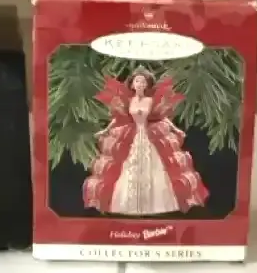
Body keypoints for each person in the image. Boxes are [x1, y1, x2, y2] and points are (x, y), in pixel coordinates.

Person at [82, 67, 209, 215]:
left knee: (155, 168)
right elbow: (119, 118)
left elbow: (161, 117)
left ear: (147, 85)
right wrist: (105, 131)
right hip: (132, 136)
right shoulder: (129, 101)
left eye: (143, 82)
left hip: (149, 136)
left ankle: (154, 205)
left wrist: (176, 129)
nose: (140, 84)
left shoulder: (150, 101)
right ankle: (127, 204)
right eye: (137, 81)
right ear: (132, 84)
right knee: (128, 167)